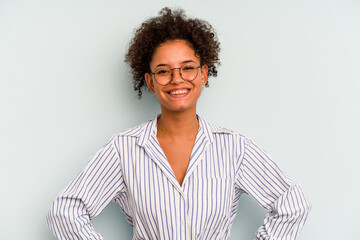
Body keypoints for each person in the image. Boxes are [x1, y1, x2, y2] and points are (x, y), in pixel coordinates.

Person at [47, 7, 311, 240]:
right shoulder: (123, 149)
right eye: (163, 71)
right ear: (150, 82)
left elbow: (292, 204)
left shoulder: (234, 148)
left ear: (203, 73)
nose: (177, 79)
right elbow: (65, 212)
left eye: (187, 67)